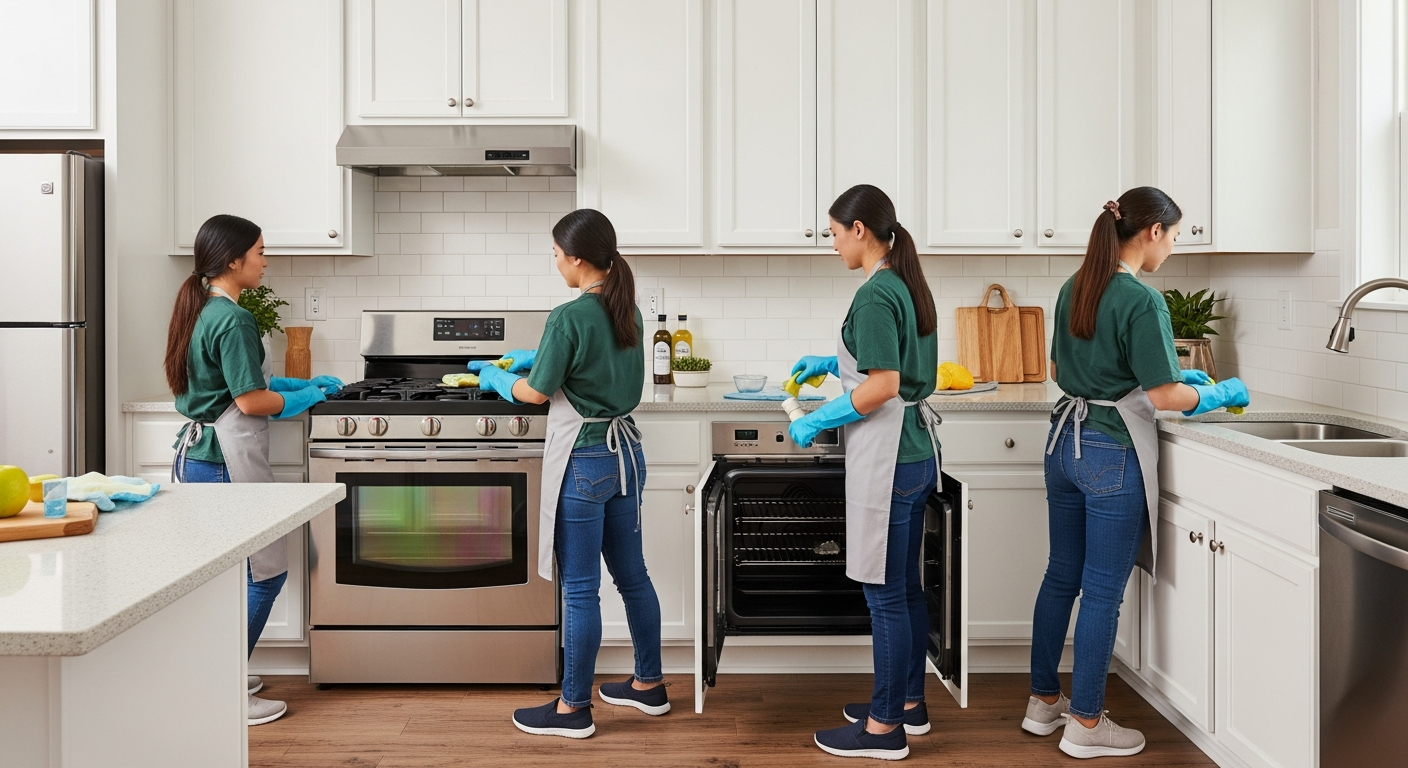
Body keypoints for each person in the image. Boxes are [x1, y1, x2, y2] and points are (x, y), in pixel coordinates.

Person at [1024, 188, 1248, 759]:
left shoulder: (1075, 286)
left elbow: (1057, 368)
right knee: (1101, 591)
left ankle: (1043, 704)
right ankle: (1086, 724)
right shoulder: (1141, 301)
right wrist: (1215, 393)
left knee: (1060, 577)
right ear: (1151, 232)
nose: (1172, 248)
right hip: (1109, 452)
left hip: (1062, 445)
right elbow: (1164, 394)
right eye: (1173, 237)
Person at [473, 208, 664, 739]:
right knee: (633, 577)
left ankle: (572, 709)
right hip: (625, 459)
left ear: (577, 258)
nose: (554, 263)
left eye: (556, 254)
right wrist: (537, 355)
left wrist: (497, 377)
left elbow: (536, 392)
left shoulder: (570, 314)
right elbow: (591, 359)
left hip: (584, 463)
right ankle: (649, 684)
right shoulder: (628, 308)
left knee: (580, 589)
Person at [164, 214, 341, 727]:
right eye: (260, 252)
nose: (266, 261)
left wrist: (292, 382)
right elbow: (250, 399)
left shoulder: (205, 309)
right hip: (223, 462)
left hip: (200, 459)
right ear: (233, 260)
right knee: (267, 572)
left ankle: (217, 672)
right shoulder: (234, 318)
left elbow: (238, 379)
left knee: (230, 579)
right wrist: (305, 395)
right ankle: (222, 693)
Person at [788, 185, 940, 761]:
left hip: (890, 458)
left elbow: (883, 385)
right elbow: (891, 363)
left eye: (833, 233)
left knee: (882, 593)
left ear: (859, 229)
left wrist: (816, 419)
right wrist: (833, 363)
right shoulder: (905, 284)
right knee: (904, 586)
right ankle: (906, 704)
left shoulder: (877, 293)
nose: (832, 244)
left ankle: (882, 730)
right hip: (917, 453)